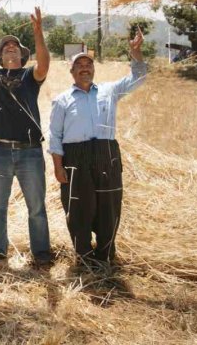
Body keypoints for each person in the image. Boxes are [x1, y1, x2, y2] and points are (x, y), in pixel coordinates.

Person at [49, 28, 147, 266]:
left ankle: (105, 257)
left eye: (89, 64)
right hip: (75, 157)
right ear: (72, 72)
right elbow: (54, 135)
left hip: (106, 154)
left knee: (108, 207)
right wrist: (58, 167)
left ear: (94, 69)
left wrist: (136, 54)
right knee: (79, 208)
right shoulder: (62, 100)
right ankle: (83, 257)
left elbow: (139, 78)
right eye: (79, 65)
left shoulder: (109, 91)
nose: (85, 68)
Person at [0, 8, 53, 265]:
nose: (10, 48)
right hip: (0, 151)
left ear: (22, 55)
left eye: (15, 47)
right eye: (6, 47)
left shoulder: (30, 76)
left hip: (30, 151)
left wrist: (38, 33)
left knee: (36, 208)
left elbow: (45, 63)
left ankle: (40, 254)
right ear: (1, 55)